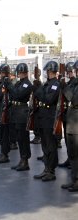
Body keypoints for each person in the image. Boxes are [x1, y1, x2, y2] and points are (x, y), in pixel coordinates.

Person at [33, 61, 60, 182]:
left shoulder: (55, 84)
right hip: (43, 117)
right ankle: (46, 168)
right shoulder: (47, 84)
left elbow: (48, 99)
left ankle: (51, 171)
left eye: (48, 71)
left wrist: (38, 90)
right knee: (44, 145)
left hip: (50, 118)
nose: (47, 73)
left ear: (50, 71)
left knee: (51, 145)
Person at [6, 63, 33, 171]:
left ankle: (25, 160)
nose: (19, 74)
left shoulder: (27, 84)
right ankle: (22, 160)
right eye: (19, 73)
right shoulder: (18, 83)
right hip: (16, 111)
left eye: (21, 72)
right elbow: (12, 94)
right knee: (19, 138)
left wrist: (10, 86)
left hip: (22, 111)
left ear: (25, 73)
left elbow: (18, 94)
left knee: (23, 138)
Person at [61, 60, 78, 192]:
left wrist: (64, 87)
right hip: (71, 122)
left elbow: (74, 99)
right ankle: (74, 180)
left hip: (76, 123)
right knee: (72, 154)